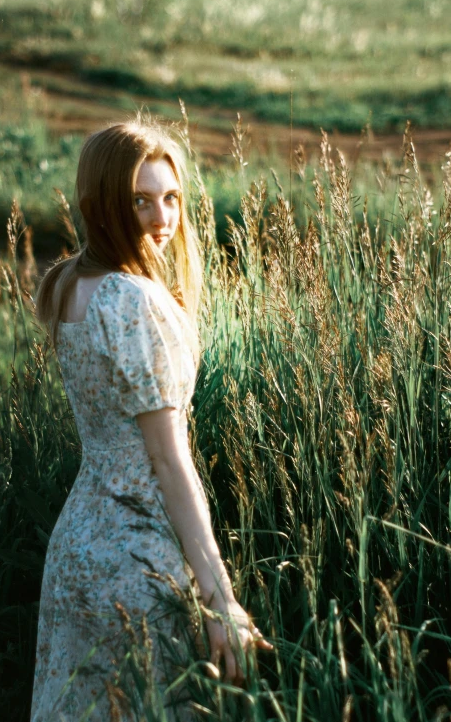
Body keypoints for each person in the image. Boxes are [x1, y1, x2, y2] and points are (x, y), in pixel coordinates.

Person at [31, 116, 272, 722]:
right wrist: (221, 598)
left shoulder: (67, 285)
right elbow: (168, 458)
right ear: (103, 203)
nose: (162, 219)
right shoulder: (134, 300)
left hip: (77, 549)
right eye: (140, 201)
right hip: (139, 555)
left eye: (171, 198)